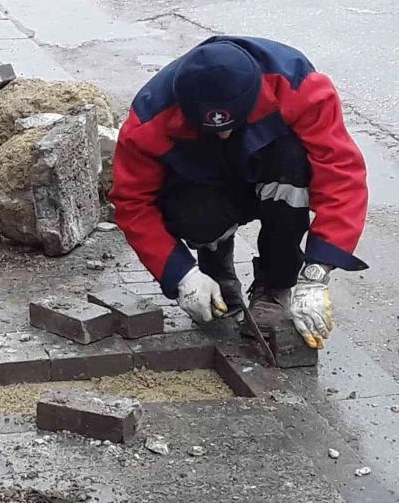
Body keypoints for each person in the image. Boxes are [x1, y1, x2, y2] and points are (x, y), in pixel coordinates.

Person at [109, 36, 368, 350]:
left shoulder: (296, 85)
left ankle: (274, 287)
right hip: (205, 185)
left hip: (272, 174)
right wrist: (181, 274)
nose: (223, 133)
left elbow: (341, 173)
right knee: (193, 213)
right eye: (212, 127)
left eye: (230, 124)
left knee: (292, 161)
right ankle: (214, 269)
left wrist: (316, 272)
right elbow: (132, 203)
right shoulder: (150, 119)